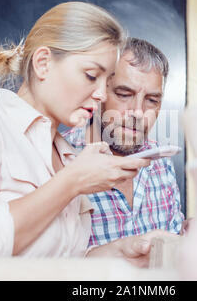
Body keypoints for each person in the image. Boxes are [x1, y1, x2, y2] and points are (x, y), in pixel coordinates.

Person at [0, 2, 175, 266]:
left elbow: (65, 264)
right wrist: (71, 182)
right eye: (92, 76)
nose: (102, 94)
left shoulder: (66, 154)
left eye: (107, 80)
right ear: (43, 63)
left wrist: (123, 253)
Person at [63, 38, 185, 247]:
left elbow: (172, 245)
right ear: (99, 92)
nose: (138, 112)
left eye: (152, 100)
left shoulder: (161, 162)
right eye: (124, 94)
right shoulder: (62, 158)